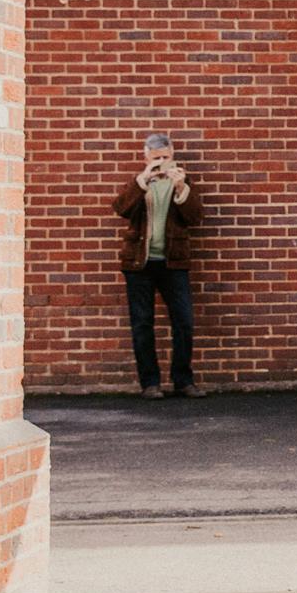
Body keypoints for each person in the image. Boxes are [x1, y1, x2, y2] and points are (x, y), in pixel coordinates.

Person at [112, 132, 203, 398]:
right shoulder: (140, 182)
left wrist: (180, 188)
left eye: (165, 157)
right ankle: (150, 384)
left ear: (172, 154)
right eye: (156, 158)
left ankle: (183, 380)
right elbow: (121, 209)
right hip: (139, 264)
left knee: (184, 321)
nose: (162, 162)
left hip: (173, 262)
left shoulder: (183, 181)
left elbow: (195, 217)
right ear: (146, 157)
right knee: (142, 323)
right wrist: (142, 181)